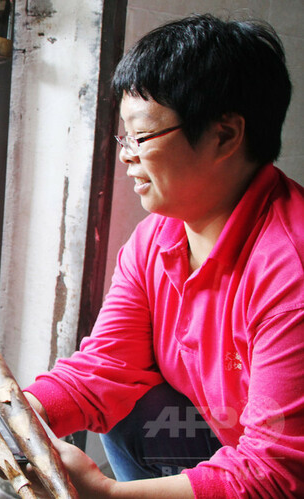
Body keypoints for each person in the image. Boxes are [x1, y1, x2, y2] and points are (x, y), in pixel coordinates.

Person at [22, 13, 302, 498]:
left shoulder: (289, 271)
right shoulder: (158, 238)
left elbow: (277, 475)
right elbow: (104, 370)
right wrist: (8, 414)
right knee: (134, 409)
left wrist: (108, 495)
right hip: (229, 435)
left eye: (143, 137)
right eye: (124, 137)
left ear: (225, 136)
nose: (127, 154)